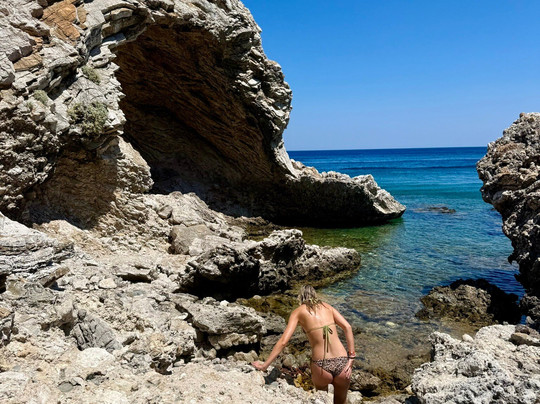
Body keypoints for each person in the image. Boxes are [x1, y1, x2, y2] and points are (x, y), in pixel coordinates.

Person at [252, 285, 355, 404]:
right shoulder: (328, 307)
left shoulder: (298, 312)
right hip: (342, 363)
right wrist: (351, 358)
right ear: (315, 295)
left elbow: (283, 341)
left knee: (322, 400)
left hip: (321, 365)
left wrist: (265, 365)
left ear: (300, 297)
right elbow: (348, 327)